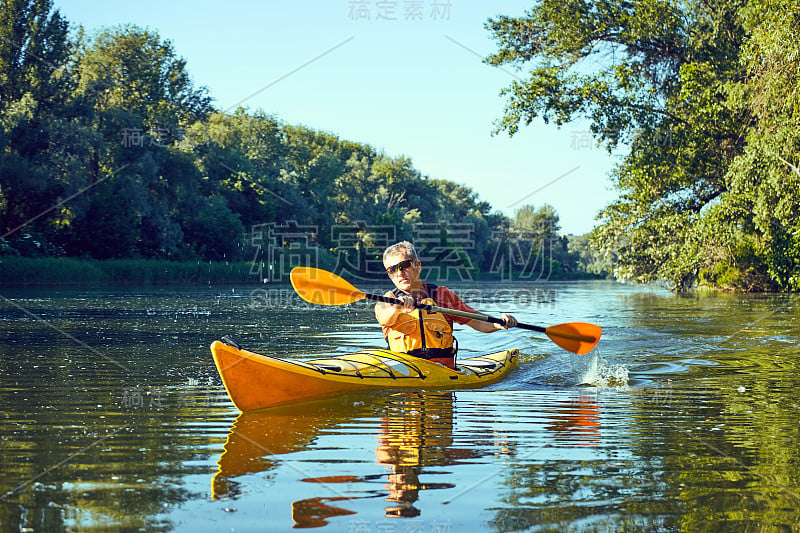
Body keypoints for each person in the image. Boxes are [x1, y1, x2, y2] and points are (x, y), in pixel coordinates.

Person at [374, 241, 517, 369]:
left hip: (442, 370)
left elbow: (475, 320)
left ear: (418, 265)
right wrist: (399, 306)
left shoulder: (443, 295)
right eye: (392, 270)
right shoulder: (387, 300)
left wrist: (498, 323)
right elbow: (384, 317)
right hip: (404, 369)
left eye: (404, 265)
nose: (399, 273)